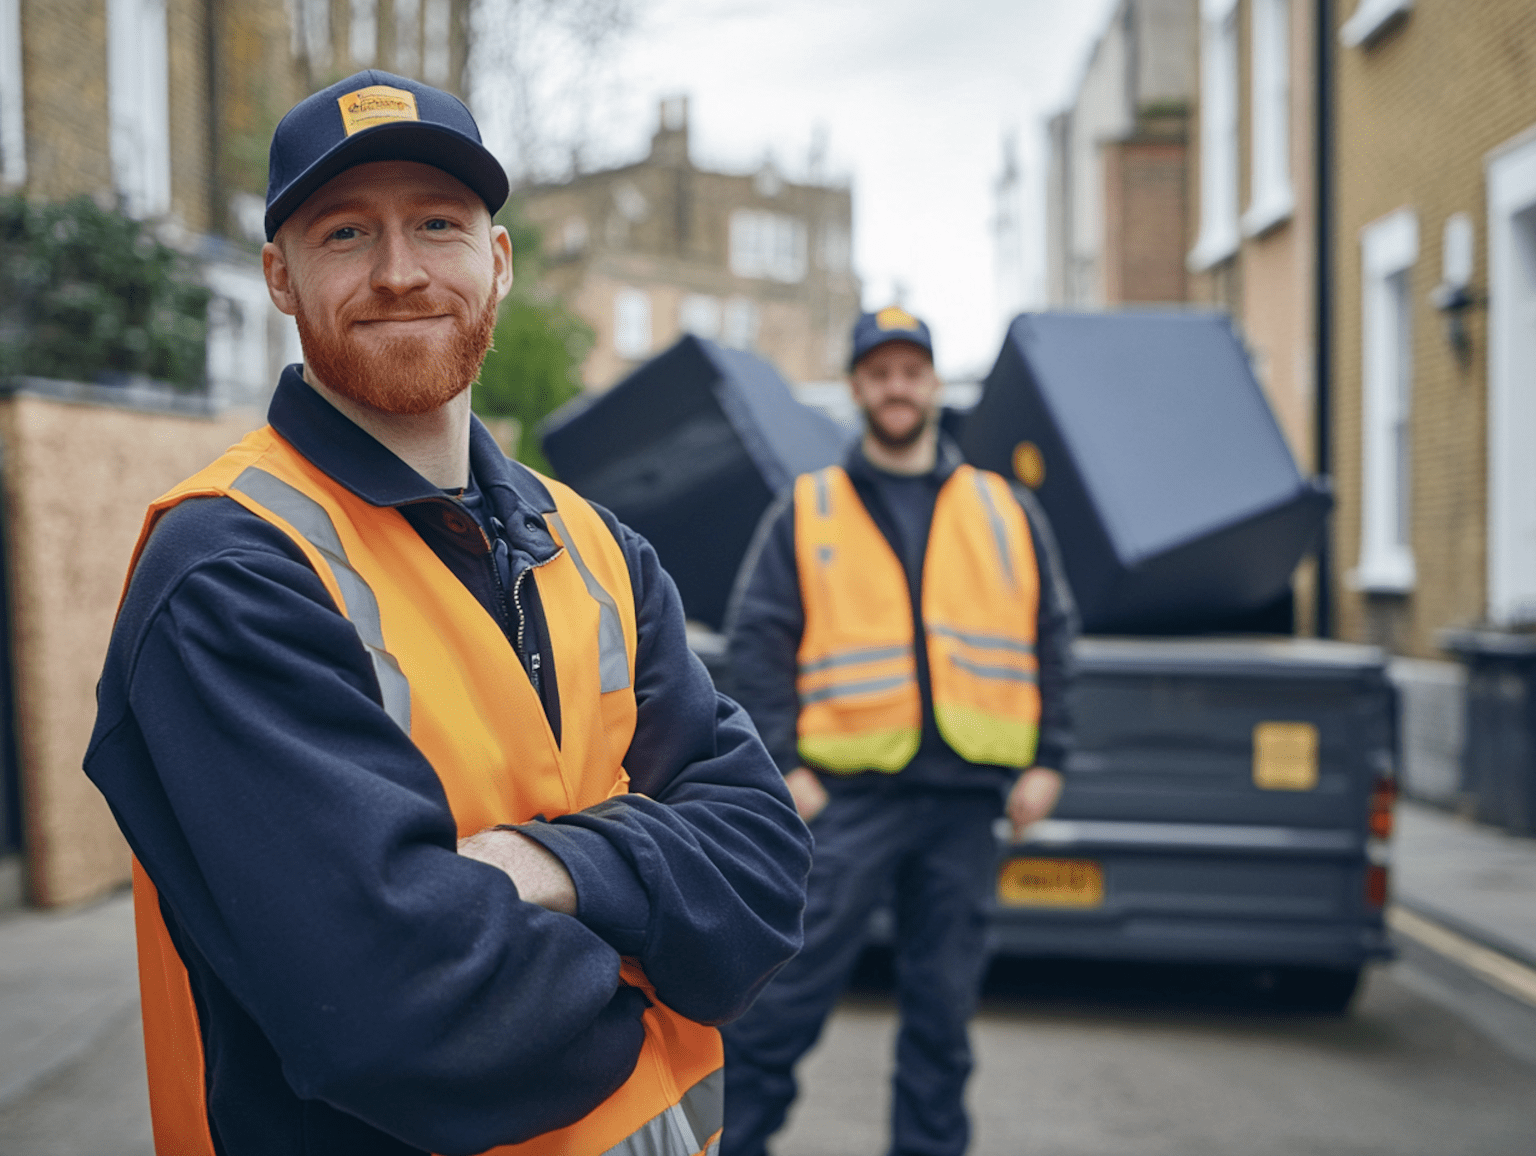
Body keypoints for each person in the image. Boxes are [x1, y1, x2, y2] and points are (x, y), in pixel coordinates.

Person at [84, 70, 810, 1156]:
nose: (398, 271)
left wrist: (550, 867)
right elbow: (385, 1006)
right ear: (280, 277)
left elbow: (767, 865)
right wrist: (669, 954)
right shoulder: (231, 570)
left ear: (499, 262)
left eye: (437, 223)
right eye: (344, 233)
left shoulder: (598, 546)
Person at [720, 307, 1077, 1156]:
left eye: (910, 371)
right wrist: (788, 767)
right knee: (779, 1014)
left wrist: (1048, 761)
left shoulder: (1003, 508)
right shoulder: (809, 509)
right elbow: (756, 640)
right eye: (879, 373)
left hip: (966, 806)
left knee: (942, 1027)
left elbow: (1052, 635)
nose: (896, 387)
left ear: (933, 384)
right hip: (845, 805)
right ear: (856, 388)